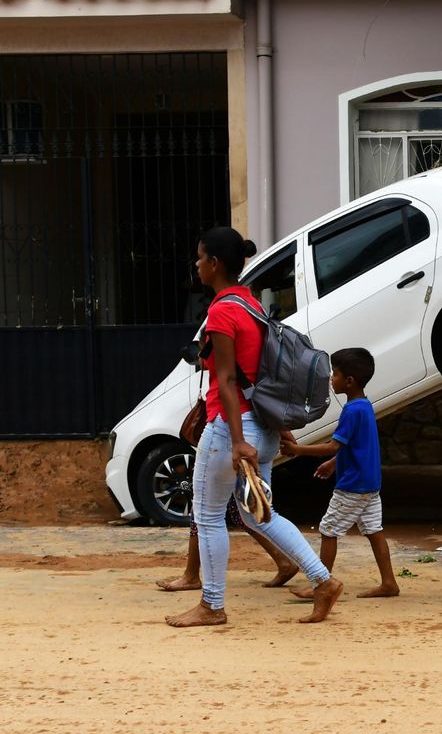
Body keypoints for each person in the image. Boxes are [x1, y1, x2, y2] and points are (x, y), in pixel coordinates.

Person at [165, 227, 342, 627]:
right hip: (260, 424)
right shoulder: (251, 304)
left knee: (209, 515)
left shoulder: (222, 311)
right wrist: (274, 430)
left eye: (200, 258)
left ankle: (212, 605)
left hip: (232, 428)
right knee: (258, 514)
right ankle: (323, 581)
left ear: (214, 264)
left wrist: (239, 441)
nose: (196, 265)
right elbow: (261, 374)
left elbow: (227, 380)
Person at [280, 348, 399, 600]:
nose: (331, 379)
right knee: (373, 530)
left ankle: (321, 584)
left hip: (353, 484)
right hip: (369, 483)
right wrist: (334, 463)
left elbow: (333, 445)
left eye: (335, 374)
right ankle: (389, 583)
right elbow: (356, 446)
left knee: (328, 530)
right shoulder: (364, 406)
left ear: (349, 381)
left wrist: (296, 449)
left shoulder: (352, 411)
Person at [155, 498, 297, 592]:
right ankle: (285, 562)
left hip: (226, 456)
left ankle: (191, 576)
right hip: (231, 457)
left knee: (202, 511)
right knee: (241, 515)